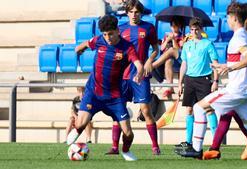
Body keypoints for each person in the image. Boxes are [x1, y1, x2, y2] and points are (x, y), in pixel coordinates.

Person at [178, 2, 247, 163]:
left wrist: (230, 68)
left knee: (199, 107)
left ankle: (196, 149)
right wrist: (224, 66)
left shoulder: (239, 36)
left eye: (228, 17)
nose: (226, 19)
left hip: (237, 89)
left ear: (233, 18)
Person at [203, 3, 247, 161]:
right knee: (233, 112)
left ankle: (216, 148)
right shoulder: (243, 34)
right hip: (242, 81)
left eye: (246, 18)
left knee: (229, 111)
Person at [66, 14, 144, 161]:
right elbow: (86, 44)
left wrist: (139, 73)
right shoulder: (99, 40)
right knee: (81, 124)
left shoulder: (127, 47)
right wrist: (79, 49)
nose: (108, 37)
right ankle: (77, 131)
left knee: (128, 133)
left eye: (111, 34)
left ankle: (126, 151)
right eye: (105, 34)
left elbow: (138, 64)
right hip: (93, 92)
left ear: (118, 31)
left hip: (114, 97)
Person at [106, 0, 161, 155]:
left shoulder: (148, 28)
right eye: (131, 12)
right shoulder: (120, 29)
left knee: (145, 110)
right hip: (121, 76)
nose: (134, 14)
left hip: (140, 75)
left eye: (137, 12)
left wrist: (150, 60)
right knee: (118, 111)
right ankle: (115, 147)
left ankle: (155, 146)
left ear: (140, 13)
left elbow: (156, 49)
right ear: (127, 12)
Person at [172, 17, 219, 153]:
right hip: (189, 80)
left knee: (208, 109)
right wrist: (180, 83)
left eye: (196, 29)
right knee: (189, 110)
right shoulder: (187, 45)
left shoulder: (208, 44)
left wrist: (215, 81)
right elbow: (184, 65)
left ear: (201, 30)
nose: (194, 32)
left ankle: (216, 140)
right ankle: (188, 141)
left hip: (204, 80)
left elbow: (215, 63)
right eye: (192, 30)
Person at [157, 17, 185, 98]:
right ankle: (170, 87)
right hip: (167, 59)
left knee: (168, 60)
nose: (173, 27)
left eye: (175, 25)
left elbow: (178, 50)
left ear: (179, 26)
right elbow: (161, 48)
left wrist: (173, 40)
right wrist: (166, 40)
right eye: (172, 26)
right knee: (168, 60)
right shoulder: (167, 35)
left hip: (178, 60)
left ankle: (170, 87)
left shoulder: (183, 37)